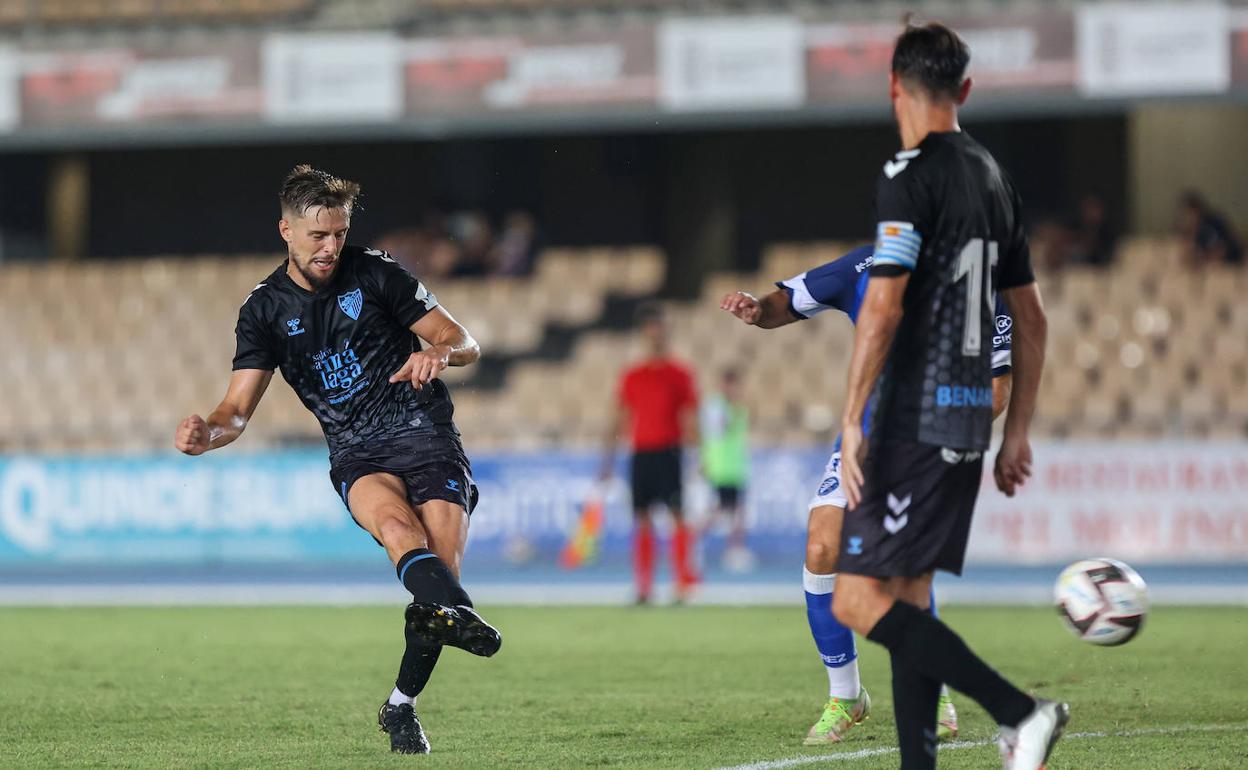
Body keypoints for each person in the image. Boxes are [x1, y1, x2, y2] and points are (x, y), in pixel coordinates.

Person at [173, 165, 501, 756]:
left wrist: (441, 355)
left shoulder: (376, 273)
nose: (330, 248)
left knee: (440, 592)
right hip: (357, 450)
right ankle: (455, 619)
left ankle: (401, 704)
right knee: (404, 538)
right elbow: (237, 410)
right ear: (286, 231)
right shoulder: (264, 311)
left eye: (338, 234)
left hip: (425, 432)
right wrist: (208, 433)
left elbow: (466, 342)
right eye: (318, 236)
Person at [830, 23, 1063, 770]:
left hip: (914, 415)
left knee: (856, 601)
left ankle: (1021, 713)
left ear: (893, 86)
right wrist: (1017, 430)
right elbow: (1031, 317)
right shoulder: (994, 177)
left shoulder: (907, 175)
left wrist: (853, 419)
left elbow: (884, 305)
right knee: (910, 595)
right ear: (964, 90)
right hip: (968, 417)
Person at [721, 245, 1014, 745]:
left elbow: (997, 391)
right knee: (821, 548)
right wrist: (756, 308)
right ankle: (847, 696)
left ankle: (931, 686)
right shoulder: (863, 266)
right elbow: (787, 302)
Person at [602, 303, 700, 604]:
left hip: (669, 452)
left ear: (664, 332)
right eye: (650, 328)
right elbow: (619, 416)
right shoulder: (633, 375)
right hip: (641, 453)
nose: (654, 334)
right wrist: (608, 457)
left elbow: (691, 417)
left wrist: (699, 455)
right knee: (642, 518)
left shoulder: (680, 373)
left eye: (658, 328)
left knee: (677, 515)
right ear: (645, 333)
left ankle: (683, 583)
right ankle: (644, 586)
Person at [699, 368, 753, 571]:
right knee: (721, 509)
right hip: (720, 466)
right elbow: (718, 429)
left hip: (737, 466)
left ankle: (734, 551)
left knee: (737, 511)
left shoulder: (739, 407)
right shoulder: (715, 406)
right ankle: (695, 542)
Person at [1177, 190, 1243, 266]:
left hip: (1232, 259)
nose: (1186, 218)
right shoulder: (1197, 229)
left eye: (1188, 214)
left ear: (1195, 211)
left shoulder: (1210, 224)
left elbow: (1219, 250)